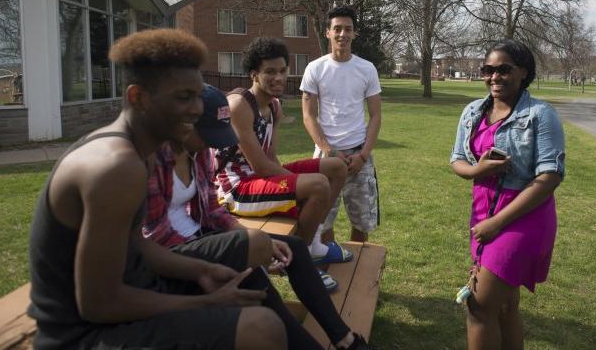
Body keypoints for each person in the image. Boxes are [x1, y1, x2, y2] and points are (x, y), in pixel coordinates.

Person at [28, 29, 286, 350]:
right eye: (183, 97)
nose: (196, 109)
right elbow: (98, 304)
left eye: (197, 95)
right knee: (261, 329)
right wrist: (206, 303)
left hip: (133, 292)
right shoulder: (115, 168)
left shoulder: (141, 153)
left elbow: (138, 246)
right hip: (81, 334)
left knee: (248, 284)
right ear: (139, 97)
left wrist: (203, 270)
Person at [144, 84, 370, 350]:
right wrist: (236, 248)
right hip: (173, 253)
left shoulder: (199, 152)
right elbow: (155, 235)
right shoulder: (152, 160)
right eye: (207, 134)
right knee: (251, 275)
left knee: (293, 247)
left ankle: (344, 339)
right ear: (186, 122)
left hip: (201, 236)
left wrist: (245, 235)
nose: (212, 143)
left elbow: (212, 209)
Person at [450, 39, 565, 350]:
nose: (494, 77)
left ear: (523, 72)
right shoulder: (473, 111)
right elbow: (457, 160)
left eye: (504, 70)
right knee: (504, 305)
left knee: (479, 305)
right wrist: (478, 171)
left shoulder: (541, 114)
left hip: (524, 215)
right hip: (483, 210)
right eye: (488, 70)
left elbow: (550, 176)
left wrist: (498, 223)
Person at [215, 37, 353, 266]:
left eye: (282, 70)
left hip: (258, 179)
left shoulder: (274, 105)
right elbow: (260, 166)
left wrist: (293, 185)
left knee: (336, 167)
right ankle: (304, 259)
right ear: (253, 75)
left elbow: (270, 156)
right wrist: (299, 184)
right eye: (269, 71)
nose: (278, 77)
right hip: (236, 189)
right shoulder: (240, 105)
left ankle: (315, 240)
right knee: (318, 185)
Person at [300, 5, 382, 243]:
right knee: (322, 221)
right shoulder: (315, 68)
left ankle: (357, 272)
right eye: (337, 28)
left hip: (359, 156)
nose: (342, 34)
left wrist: (363, 155)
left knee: (362, 222)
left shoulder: (366, 69)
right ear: (328, 32)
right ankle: (328, 266)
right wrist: (328, 150)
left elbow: (376, 115)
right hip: (326, 157)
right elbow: (308, 115)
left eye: (348, 29)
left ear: (355, 33)